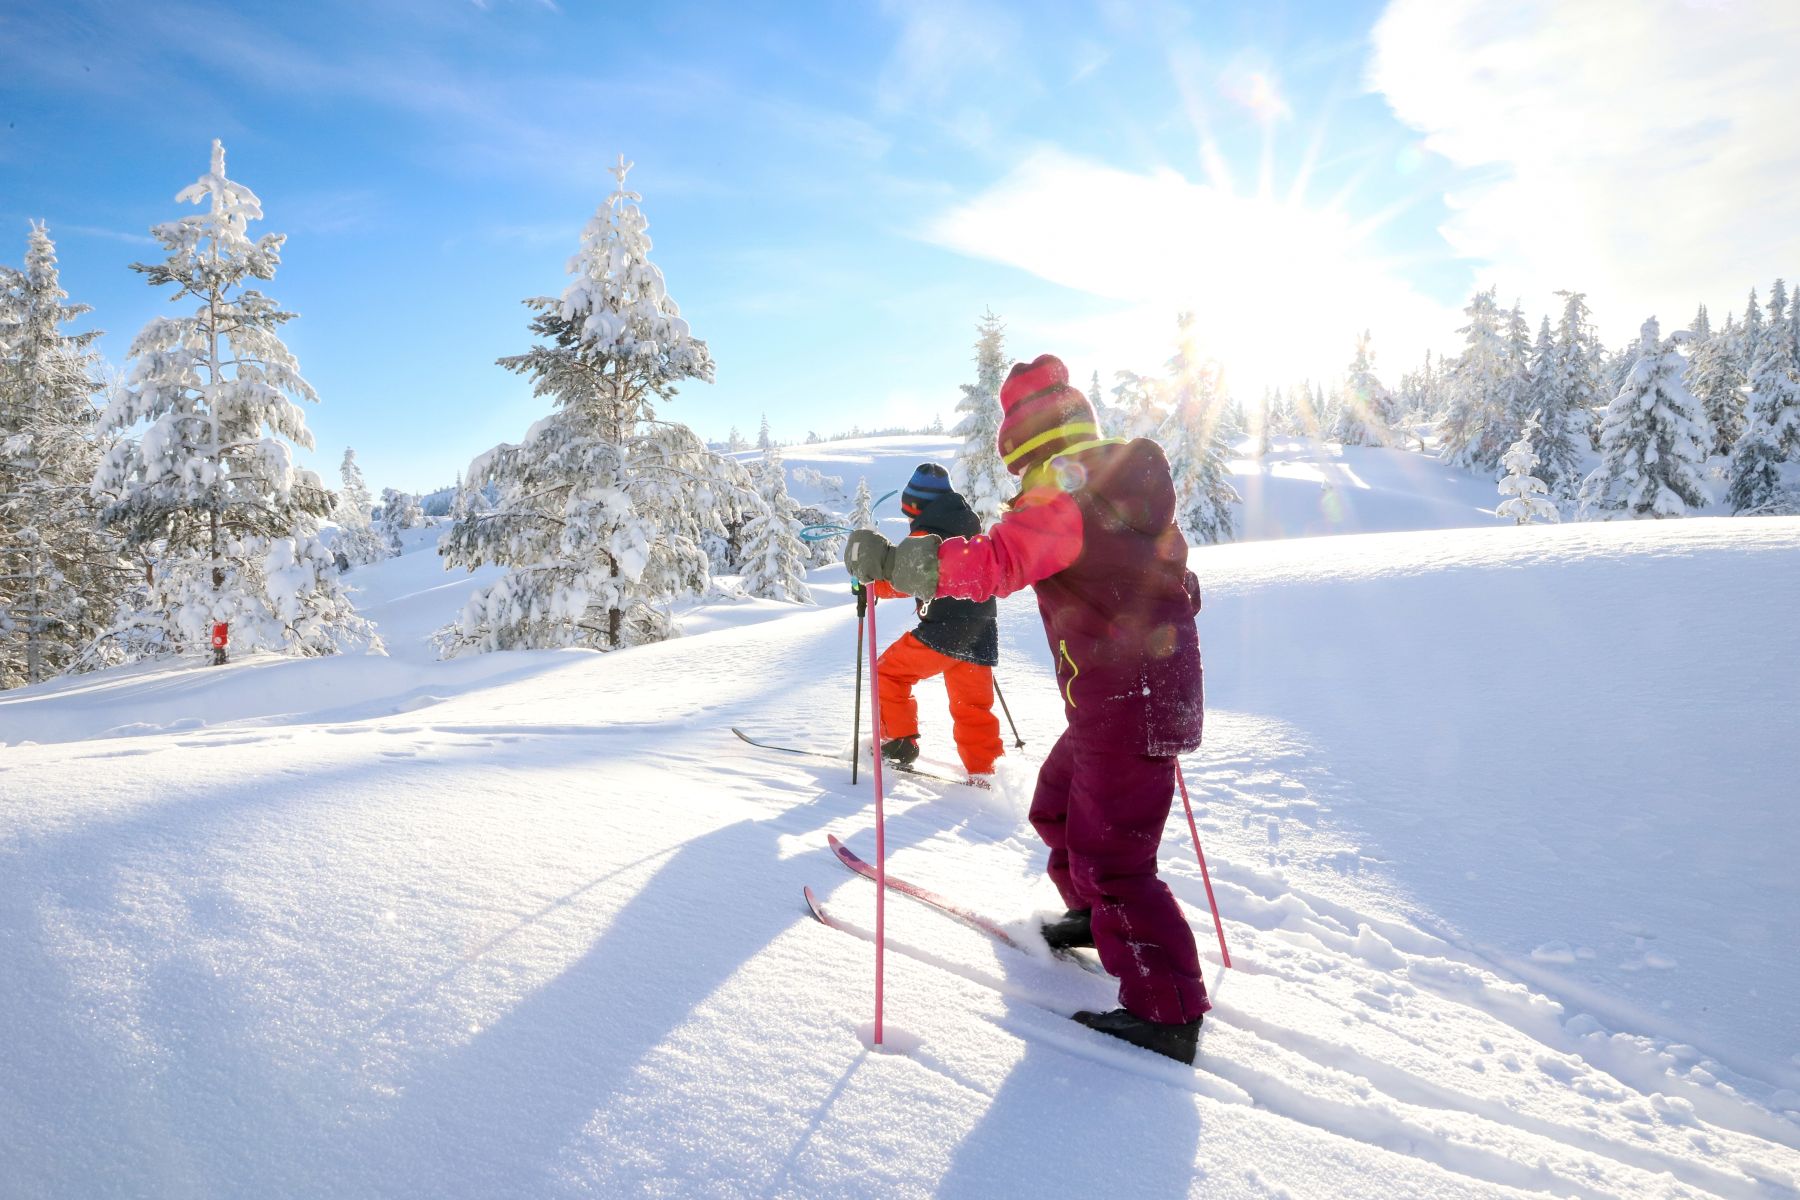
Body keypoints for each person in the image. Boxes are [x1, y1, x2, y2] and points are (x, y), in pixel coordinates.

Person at [846, 354, 1209, 1064]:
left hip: (1125, 702)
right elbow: (1178, 578)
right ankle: (1095, 918)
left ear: (1025, 439)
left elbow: (994, 564)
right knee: (1055, 807)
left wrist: (895, 567)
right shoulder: (1117, 492)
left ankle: (1166, 1011)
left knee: (1116, 859)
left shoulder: (1070, 500)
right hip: (1122, 698)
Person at [862, 463, 1003, 782]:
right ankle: (985, 772)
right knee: (972, 708)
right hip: (981, 629)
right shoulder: (967, 526)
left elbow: (909, 578)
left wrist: (873, 584)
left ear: (916, 505)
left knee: (888, 672)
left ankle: (900, 743)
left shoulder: (929, 533)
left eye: (908, 510)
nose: (908, 518)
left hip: (943, 632)